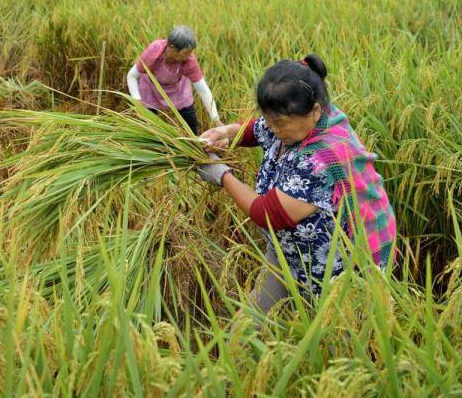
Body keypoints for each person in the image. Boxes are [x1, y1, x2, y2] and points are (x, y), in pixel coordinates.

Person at [198, 55, 396, 312]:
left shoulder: (320, 159)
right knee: (250, 323)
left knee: (336, 338)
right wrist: (228, 132)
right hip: (290, 249)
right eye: (269, 119)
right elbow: (257, 129)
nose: (272, 128)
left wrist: (221, 175)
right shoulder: (294, 121)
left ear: (314, 111)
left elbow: (267, 213)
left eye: (278, 123)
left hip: (341, 266)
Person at [126, 26, 221, 134]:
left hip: (178, 89)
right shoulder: (154, 51)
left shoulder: (189, 61)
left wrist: (216, 119)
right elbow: (132, 76)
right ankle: (149, 147)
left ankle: (193, 144)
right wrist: (138, 102)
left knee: (191, 121)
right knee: (147, 124)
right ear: (171, 47)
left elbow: (203, 90)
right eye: (185, 53)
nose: (189, 56)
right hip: (151, 88)